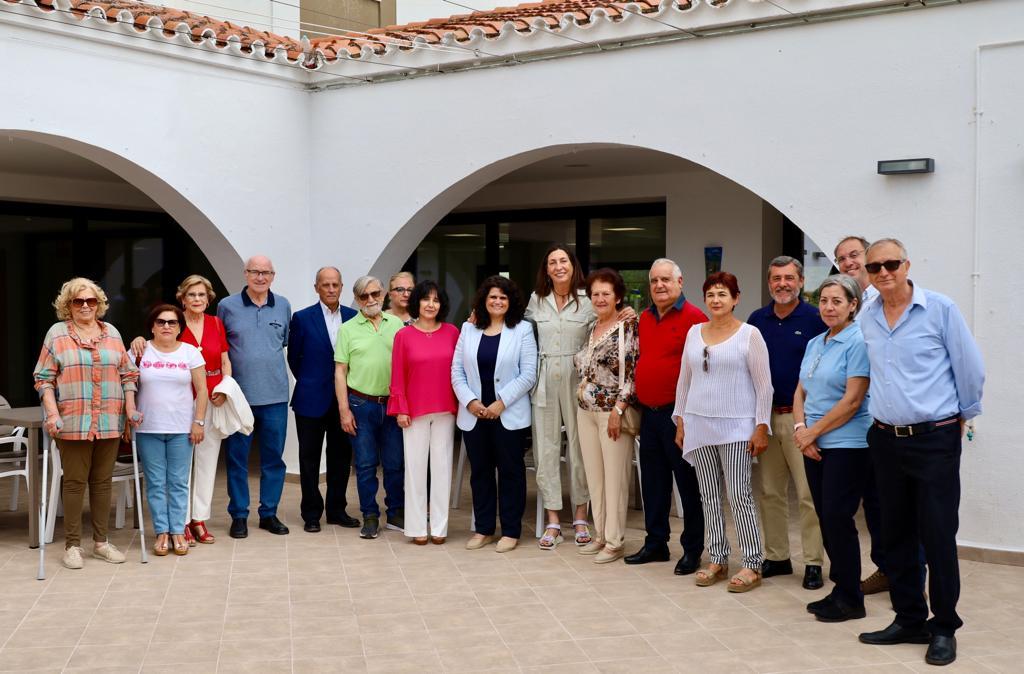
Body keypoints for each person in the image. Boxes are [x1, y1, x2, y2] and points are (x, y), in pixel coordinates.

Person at [856, 238, 984, 667]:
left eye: (891, 263)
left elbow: (969, 367)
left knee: (937, 535)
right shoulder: (868, 315)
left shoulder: (940, 309)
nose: (883, 272)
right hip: (885, 439)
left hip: (934, 439)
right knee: (895, 535)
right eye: (874, 267)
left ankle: (944, 625)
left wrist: (965, 415)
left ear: (907, 264)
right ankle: (909, 618)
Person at [672, 272, 772, 592]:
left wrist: (760, 426)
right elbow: (684, 380)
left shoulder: (749, 334)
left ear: (736, 298)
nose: (716, 300)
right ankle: (718, 557)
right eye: (711, 294)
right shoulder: (693, 332)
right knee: (709, 495)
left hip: (736, 427)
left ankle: (752, 563)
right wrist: (681, 419)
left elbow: (763, 386)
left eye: (723, 294)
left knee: (739, 495)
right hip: (698, 424)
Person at [33, 277, 140, 569]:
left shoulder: (112, 333)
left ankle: (101, 543)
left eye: (90, 301)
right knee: (76, 482)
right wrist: (52, 413)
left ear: (99, 304)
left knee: (102, 482)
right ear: (68, 305)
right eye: (78, 301)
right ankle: (72, 545)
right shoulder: (57, 334)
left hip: (109, 418)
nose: (85, 306)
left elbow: (128, 374)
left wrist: (130, 408)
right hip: (73, 419)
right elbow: (44, 378)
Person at [792, 275, 872, 621]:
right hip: (814, 441)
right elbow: (800, 391)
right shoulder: (816, 342)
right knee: (825, 516)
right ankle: (841, 589)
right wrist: (801, 429)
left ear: (853, 305)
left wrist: (813, 434)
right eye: (823, 300)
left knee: (839, 518)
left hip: (847, 444)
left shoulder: (859, 342)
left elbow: (852, 401)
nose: (828, 307)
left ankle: (852, 597)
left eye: (837, 301)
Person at [131, 274, 232, 544]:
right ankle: (180, 523)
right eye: (192, 295)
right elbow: (153, 345)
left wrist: (225, 388)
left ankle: (198, 519)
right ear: (182, 298)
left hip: (211, 398)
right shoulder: (173, 321)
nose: (197, 300)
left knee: (207, 461)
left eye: (202, 295)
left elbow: (225, 360)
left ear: (209, 298)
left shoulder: (216, 323)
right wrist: (138, 339)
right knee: (180, 470)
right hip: (176, 403)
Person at [747, 256, 826, 589]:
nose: (783, 284)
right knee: (769, 491)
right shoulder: (756, 320)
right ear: (769, 283)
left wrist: (812, 423)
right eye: (776, 278)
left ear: (801, 281)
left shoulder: (815, 318)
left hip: (802, 421)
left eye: (789, 278)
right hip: (766, 418)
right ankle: (777, 556)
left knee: (809, 495)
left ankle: (812, 562)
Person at [626, 258, 707, 574]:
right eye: (655, 281)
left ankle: (692, 549)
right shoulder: (644, 318)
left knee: (688, 486)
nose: (660, 285)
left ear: (680, 282)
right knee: (654, 484)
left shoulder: (694, 318)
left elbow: (701, 371)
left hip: (680, 417)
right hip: (650, 414)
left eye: (666, 280)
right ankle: (656, 543)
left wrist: (687, 417)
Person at [452, 276, 537, 553]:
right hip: (474, 414)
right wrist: (471, 401)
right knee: (480, 473)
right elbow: (457, 372)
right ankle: (484, 529)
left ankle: (511, 530)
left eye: (503, 297)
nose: (497, 301)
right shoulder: (469, 328)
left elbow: (528, 374)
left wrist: (501, 402)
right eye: (492, 297)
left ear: (510, 301)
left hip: (508, 414)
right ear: (484, 301)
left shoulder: (522, 330)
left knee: (511, 472)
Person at [217, 255, 292, 538]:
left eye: (265, 273)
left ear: (273, 276)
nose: (260, 277)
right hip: (239, 398)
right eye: (254, 272)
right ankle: (239, 515)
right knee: (237, 459)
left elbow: (283, 343)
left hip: (275, 397)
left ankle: (269, 514)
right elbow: (221, 346)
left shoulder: (283, 305)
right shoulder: (227, 306)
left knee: (273, 459)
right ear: (245, 274)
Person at [526, 244, 593, 549]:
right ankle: (553, 520)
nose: (558, 266)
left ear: (572, 265)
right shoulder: (535, 301)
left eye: (563, 260)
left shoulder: (588, 301)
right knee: (546, 449)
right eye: (552, 262)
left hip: (578, 379)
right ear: (547, 269)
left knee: (581, 448)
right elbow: (517, 329)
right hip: (544, 378)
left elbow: (609, 327)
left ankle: (580, 515)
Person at [834, 235, 888, 595]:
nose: (848, 262)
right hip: (856, 426)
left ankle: (904, 577)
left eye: (854, 255)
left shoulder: (884, 300)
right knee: (872, 505)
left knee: (891, 505)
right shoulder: (850, 308)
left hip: (883, 419)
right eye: (841, 258)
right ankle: (885, 570)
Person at [573, 269, 638, 564]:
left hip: (611, 413)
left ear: (618, 297)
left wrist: (618, 410)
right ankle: (600, 535)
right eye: (595, 294)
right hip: (585, 412)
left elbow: (632, 374)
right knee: (595, 478)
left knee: (615, 479)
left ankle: (614, 540)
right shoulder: (593, 327)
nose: (599, 299)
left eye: (605, 294)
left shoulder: (628, 326)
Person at [388, 280, 460, 544]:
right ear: (417, 302)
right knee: (415, 470)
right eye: (426, 299)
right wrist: (400, 408)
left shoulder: (452, 332)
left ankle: (439, 528)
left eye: (436, 300)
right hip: (413, 412)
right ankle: (417, 528)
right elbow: (397, 375)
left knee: (442, 469)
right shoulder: (403, 336)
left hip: (445, 409)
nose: (431, 304)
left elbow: (460, 370)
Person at [289, 267, 359, 533]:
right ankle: (311, 513)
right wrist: (311, 381)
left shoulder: (354, 317)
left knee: (341, 457)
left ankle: (337, 510)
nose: (330, 289)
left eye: (335, 285)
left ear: (342, 287)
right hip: (310, 399)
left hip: (344, 401)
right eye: (325, 285)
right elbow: (294, 358)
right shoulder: (302, 318)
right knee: (309, 458)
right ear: (316, 287)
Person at [135, 304, 209, 556]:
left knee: (178, 482)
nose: (166, 326)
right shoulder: (140, 350)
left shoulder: (189, 352)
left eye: (172, 322)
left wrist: (198, 422)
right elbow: (126, 386)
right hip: (148, 428)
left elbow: (202, 391)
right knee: (155, 483)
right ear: (152, 326)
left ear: (180, 327)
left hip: (181, 428)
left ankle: (178, 531)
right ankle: (162, 532)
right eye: (160, 322)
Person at [335, 275, 405, 539]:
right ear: (356, 299)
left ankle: (396, 511)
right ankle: (370, 515)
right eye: (364, 296)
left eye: (375, 293)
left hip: (392, 405)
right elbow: (340, 371)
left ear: (384, 293)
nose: (371, 300)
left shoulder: (397, 324)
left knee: (395, 463)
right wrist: (344, 410)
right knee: (365, 465)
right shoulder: (348, 329)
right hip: (360, 403)